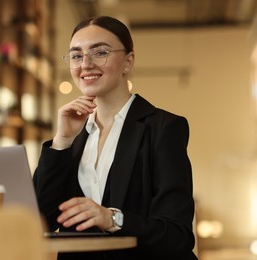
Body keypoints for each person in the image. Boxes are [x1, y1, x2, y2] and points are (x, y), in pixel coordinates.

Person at [33, 16, 197, 260]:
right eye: (76, 55)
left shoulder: (164, 128)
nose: (85, 64)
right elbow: (37, 223)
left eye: (100, 52)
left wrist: (111, 218)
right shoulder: (73, 136)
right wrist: (61, 141)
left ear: (128, 62)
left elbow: (177, 235)